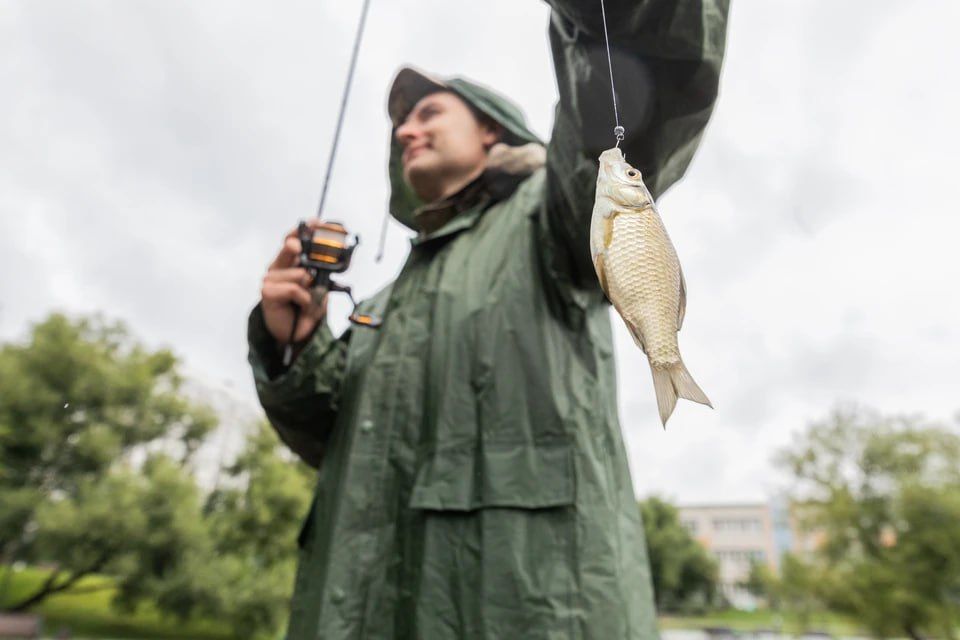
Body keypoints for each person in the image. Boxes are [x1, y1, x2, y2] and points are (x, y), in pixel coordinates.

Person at [248, 2, 729, 638]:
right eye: (400, 124)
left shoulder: (553, 216)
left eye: (428, 113)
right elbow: (327, 444)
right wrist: (293, 345)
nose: (405, 131)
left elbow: (639, 73)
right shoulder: (377, 307)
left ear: (490, 132)